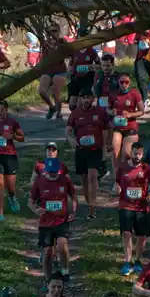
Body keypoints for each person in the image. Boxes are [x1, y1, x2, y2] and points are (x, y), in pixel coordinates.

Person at [29, 158, 76, 280]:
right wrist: (36, 210)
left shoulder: (65, 181)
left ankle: (65, 271)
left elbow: (74, 197)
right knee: (47, 253)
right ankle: (48, 279)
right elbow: (30, 202)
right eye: (50, 171)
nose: (53, 174)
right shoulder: (39, 182)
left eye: (55, 171)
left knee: (62, 246)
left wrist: (73, 211)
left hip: (62, 220)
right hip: (46, 223)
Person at [66, 91, 107, 221]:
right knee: (84, 179)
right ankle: (90, 204)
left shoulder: (100, 112)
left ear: (93, 99)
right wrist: (71, 139)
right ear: (80, 99)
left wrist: (106, 148)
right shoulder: (75, 114)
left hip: (95, 149)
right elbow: (68, 131)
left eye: (88, 97)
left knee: (92, 176)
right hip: (81, 150)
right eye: (83, 98)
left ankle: (92, 207)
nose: (86, 100)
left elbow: (106, 130)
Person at [116, 141, 150, 275]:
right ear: (130, 153)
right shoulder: (122, 168)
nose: (137, 156)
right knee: (126, 234)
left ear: (142, 154)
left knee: (141, 236)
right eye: (135, 153)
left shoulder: (147, 169)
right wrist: (117, 188)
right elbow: (116, 183)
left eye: (139, 154)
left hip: (142, 207)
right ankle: (127, 262)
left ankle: (138, 261)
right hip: (125, 205)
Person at [0, 101, 25, 222]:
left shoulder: (12, 122)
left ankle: (12, 197)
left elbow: (22, 137)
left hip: (9, 155)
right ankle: (0, 214)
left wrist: (12, 136)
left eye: (3, 109)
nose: (0, 112)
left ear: (6, 110)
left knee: (11, 187)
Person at [107, 73, 144, 193]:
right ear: (118, 83)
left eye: (126, 82)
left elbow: (141, 111)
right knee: (115, 151)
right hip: (117, 127)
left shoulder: (134, 94)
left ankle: (130, 177)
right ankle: (117, 181)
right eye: (121, 82)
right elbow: (107, 108)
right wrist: (111, 111)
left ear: (130, 82)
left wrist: (130, 115)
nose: (124, 84)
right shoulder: (113, 94)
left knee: (127, 154)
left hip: (131, 128)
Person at [36, 27, 69, 119]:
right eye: (49, 32)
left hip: (60, 70)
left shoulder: (62, 42)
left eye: (54, 31)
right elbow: (44, 57)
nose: (52, 34)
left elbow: (70, 54)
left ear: (58, 32)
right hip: (48, 70)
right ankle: (51, 107)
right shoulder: (45, 43)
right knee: (42, 91)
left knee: (55, 92)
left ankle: (59, 112)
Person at [66, 41, 100, 111]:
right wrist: (69, 72)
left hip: (87, 79)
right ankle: (76, 117)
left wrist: (86, 68)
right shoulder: (74, 50)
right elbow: (70, 63)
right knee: (72, 106)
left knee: (82, 103)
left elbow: (99, 66)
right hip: (75, 79)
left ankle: (81, 119)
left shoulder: (92, 51)